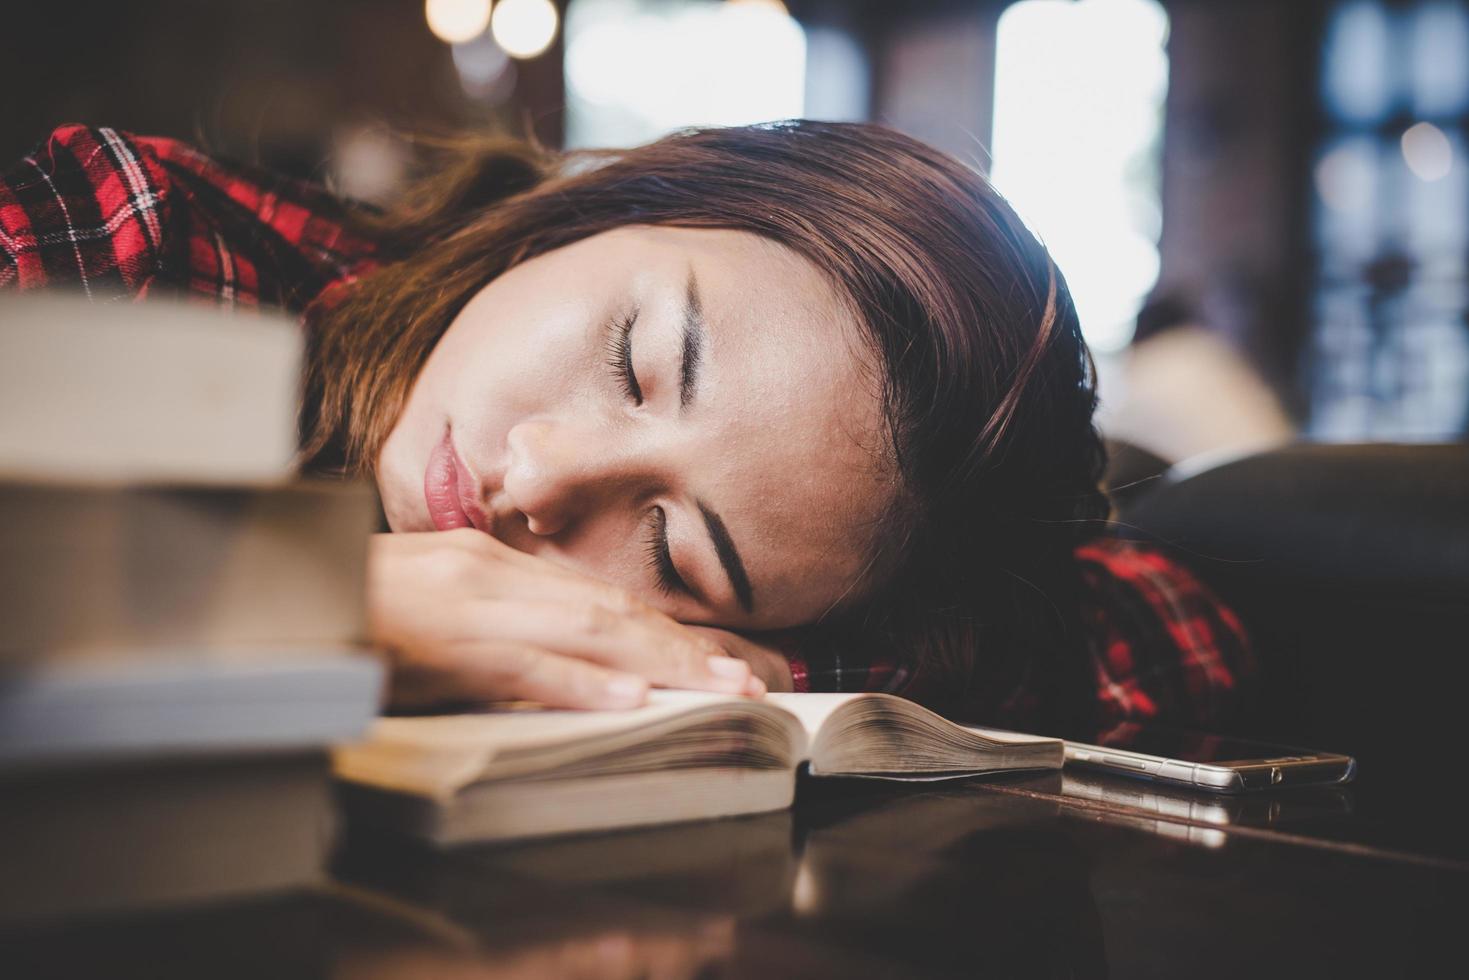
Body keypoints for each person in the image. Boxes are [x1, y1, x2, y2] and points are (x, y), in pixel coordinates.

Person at [0, 122, 1252, 738]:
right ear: (600, 211)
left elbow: (1176, 618)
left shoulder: (781, 629)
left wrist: (743, 688)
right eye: (632, 360)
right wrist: (291, 600)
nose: (536, 481)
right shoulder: (144, 249)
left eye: (674, 555)